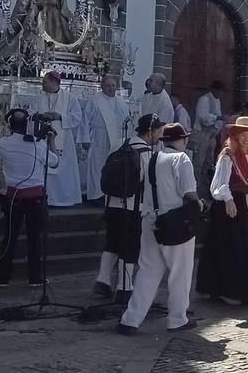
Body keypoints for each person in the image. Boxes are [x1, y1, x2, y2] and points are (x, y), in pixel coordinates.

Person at [117, 124, 201, 335]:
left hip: (150, 220)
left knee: (147, 272)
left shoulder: (154, 157)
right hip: (175, 222)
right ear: (182, 140)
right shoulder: (182, 159)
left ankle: (130, 320)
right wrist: (200, 206)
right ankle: (177, 319)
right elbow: (189, 193)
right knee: (180, 274)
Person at [196, 116, 248, 306]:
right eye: (243, 135)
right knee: (232, 247)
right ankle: (228, 290)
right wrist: (228, 198)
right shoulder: (228, 155)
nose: (247, 139)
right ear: (236, 135)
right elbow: (219, 183)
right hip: (232, 205)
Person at [93, 114, 164, 304]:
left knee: (112, 243)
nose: (159, 136)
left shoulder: (119, 144)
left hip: (112, 203)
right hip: (133, 208)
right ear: (150, 131)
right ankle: (124, 288)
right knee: (130, 246)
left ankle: (103, 279)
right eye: (158, 131)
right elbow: (149, 185)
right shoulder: (147, 154)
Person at [0, 109, 60, 286]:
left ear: (10, 125)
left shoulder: (3, 143)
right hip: (35, 198)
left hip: (13, 197)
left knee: (9, 237)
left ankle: (3, 277)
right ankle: (34, 277)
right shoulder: (38, 146)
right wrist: (50, 141)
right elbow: (55, 162)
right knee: (34, 238)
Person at [80, 75, 130, 204]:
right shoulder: (95, 100)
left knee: (114, 167)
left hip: (117, 139)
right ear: (102, 86)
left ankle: (110, 194)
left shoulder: (120, 102)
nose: (111, 88)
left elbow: (126, 121)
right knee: (98, 167)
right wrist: (85, 138)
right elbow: (85, 120)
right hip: (99, 138)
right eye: (108, 85)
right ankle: (97, 195)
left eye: (113, 85)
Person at [36, 70, 83, 207]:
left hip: (64, 139)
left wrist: (60, 117)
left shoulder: (69, 98)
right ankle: (46, 198)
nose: (43, 84)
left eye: (45, 81)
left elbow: (77, 117)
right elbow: (33, 113)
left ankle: (64, 199)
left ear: (54, 82)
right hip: (43, 138)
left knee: (64, 169)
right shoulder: (39, 97)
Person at [193, 81, 225, 193]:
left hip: (212, 135)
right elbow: (203, 117)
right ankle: (197, 186)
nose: (221, 94)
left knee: (209, 162)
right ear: (215, 90)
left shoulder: (217, 101)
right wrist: (217, 118)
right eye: (220, 91)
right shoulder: (205, 99)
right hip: (203, 134)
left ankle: (207, 187)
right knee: (199, 161)